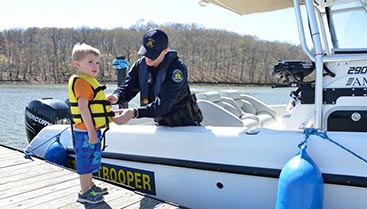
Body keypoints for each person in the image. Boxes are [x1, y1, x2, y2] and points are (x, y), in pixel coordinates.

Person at [108, 28, 202, 126]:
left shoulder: (176, 69)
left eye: (152, 54)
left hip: (184, 126)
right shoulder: (140, 65)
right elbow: (128, 86)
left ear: (165, 51)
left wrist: (135, 113)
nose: (147, 58)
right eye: (145, 52)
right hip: (161, 124)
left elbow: (163, 105)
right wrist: (116, 97)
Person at [68, 43, 112, 204]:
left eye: (97, 63)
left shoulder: (89, 81)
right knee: (85, 161)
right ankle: (84, 192)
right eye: (90, 62)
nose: (95, 66)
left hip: (91, 130)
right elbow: (83, 107)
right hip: (84, 131)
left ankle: (90, 186)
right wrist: (91, 131)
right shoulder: (82, 82)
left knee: (92, 159)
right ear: (77, 64)